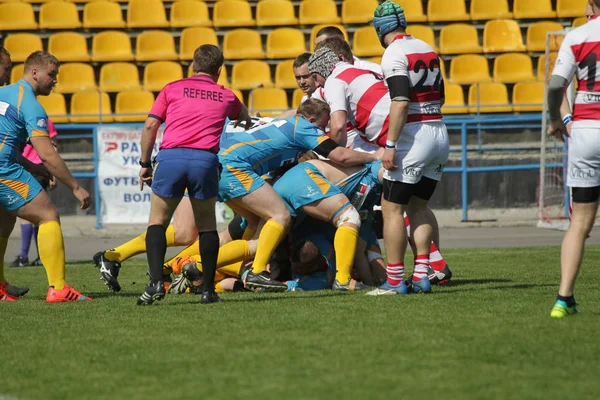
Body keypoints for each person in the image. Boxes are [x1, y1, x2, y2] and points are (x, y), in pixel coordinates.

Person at [218, 99, 380, 292]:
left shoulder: (284, 124)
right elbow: (340, 155)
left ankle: (189, 265)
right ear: (311, 119)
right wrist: (375, 155)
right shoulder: (302, 127)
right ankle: (254, 272)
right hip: (240, 171)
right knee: (280, 218)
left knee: (255, 240)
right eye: (321, 126)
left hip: (235, 170)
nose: (321, 132)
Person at [136, 44, 251, 305]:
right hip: (204, 161)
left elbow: (151, 124)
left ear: (193, 65)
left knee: (157, 222)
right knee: (207, 226)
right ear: (219, 70)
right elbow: (242, 114)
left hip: (171, 158)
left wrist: (144, 163)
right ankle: (208, 291)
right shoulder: (226, 95)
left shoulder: (172, 88)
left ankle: (155, 283)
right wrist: (245, 120)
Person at [367, 2, 449, 296]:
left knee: (392, 208)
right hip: (439, 132)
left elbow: (400, 101)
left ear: (380, 29)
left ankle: (394, 280)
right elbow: (441, 96)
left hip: (414, 137)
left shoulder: (393, 53)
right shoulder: (427, 47)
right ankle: (422, 276)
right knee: (419, 207)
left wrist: (390, 145)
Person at [0, 50, 91, 302]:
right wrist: (75, 187)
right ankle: (58, 288)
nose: (55, 80)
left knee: (5, 222)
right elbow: (49, 155)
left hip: (7, 165)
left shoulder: (2, 94)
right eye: (52, 74)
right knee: (48, 215)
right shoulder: (30, 104)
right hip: (3, 171)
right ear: (35, 72)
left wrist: (32, 167)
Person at [546, 0, 600, 318]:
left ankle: (563, 298)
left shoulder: (577, 36)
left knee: (579, 222)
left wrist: (556, 119)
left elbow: (556, 86)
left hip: (586, 132)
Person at [273, 158, 383, 289]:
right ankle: (383, 281)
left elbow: (286, 286)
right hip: (348, 217)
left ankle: (378, 281)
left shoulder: (318, 280)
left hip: (341, 218)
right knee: (363, 246)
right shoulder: (319, 274)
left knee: (361, 245)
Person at [11, 119, 58, 268]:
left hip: (35, 168)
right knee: (39, 214)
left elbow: (53, 148)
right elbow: (54, 147)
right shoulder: (41, 119)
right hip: (24, 167)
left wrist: (52, 173)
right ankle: (39, 257)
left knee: (31, 214)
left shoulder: (17, 118)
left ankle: (25, 256)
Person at [314, 26, 382, 74]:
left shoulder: (373, 71)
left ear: (337, 43)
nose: (316, 51)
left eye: (321, 45)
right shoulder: (318, 76)